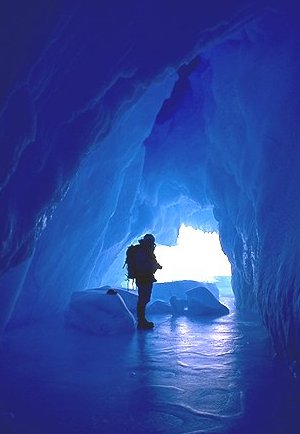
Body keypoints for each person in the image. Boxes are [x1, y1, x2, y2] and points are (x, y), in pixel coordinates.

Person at [135, 234, 162, 329]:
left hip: (145, 278)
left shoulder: (146, 250)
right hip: (144, 278)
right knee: (143, 299)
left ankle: (141, 320)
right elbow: (145, 264)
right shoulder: (144, 250)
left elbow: (150, 262)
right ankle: (141, 321)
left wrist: (156, 266)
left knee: (144, 299)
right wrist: (154, 267)